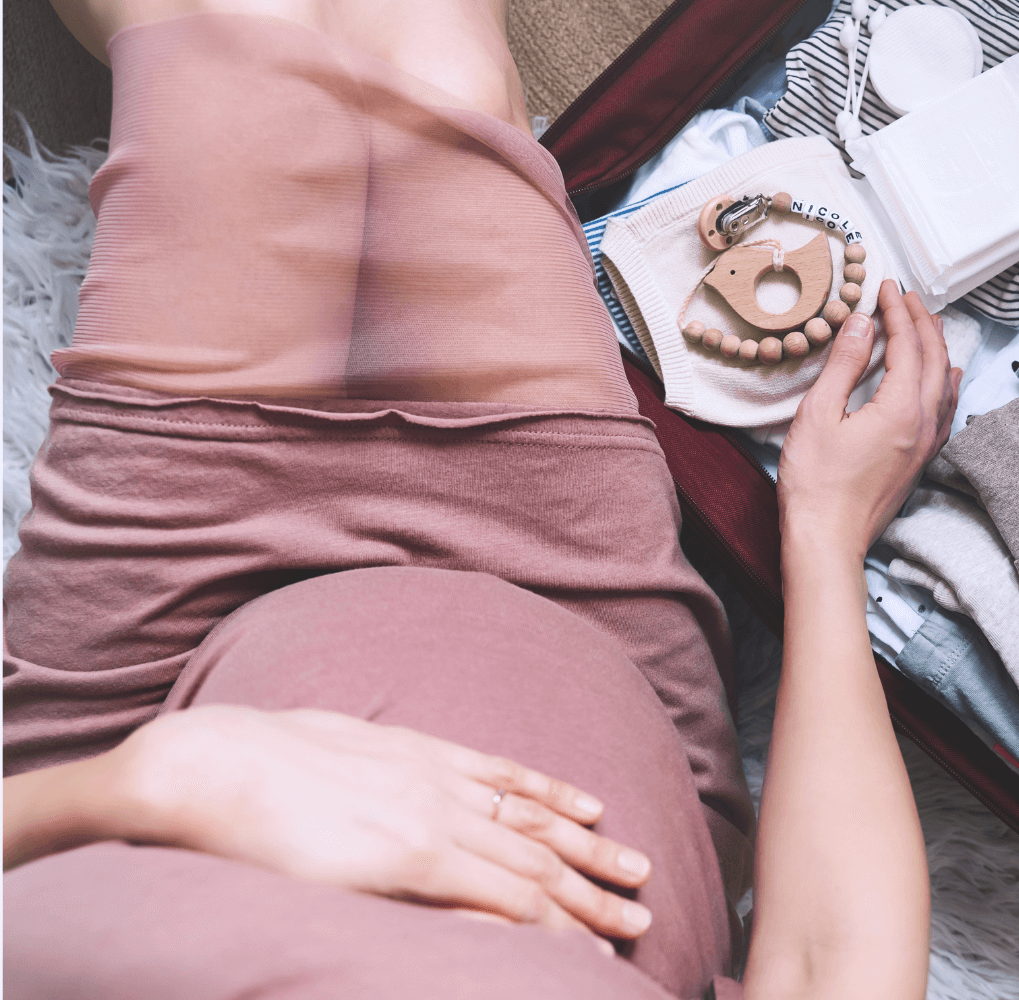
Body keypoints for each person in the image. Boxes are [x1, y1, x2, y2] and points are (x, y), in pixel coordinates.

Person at [3, 1, 961, 997]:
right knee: (435, 51)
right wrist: (823, 534)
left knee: (217, 37)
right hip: (573, 611)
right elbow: (828, 964)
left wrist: (154, 785)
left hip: (152, 694)